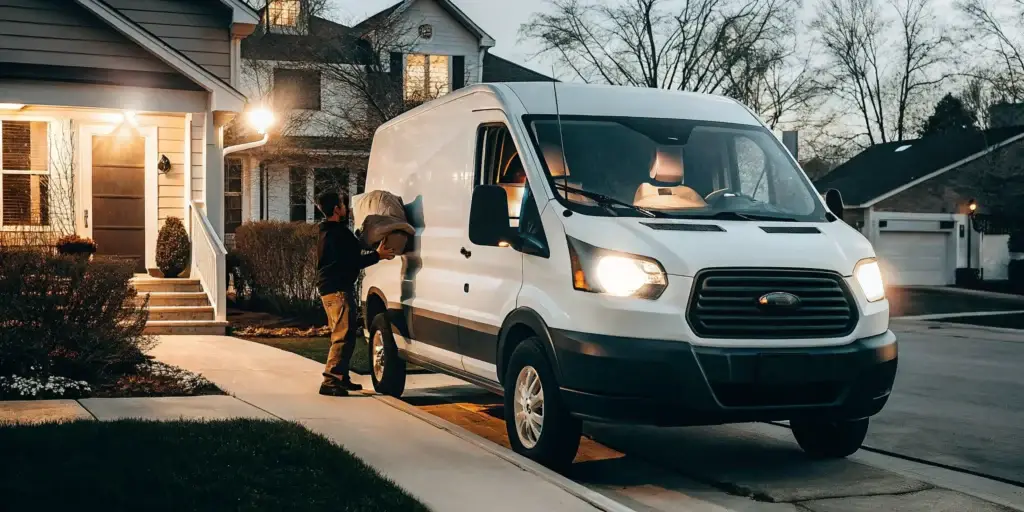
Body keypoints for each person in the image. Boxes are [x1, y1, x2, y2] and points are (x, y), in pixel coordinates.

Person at [316, 191, 396, 397]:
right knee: (343, 335)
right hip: (338, 290)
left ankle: (341, 377)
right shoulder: (337, 234)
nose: (347, 208)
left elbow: (351, 252)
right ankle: (331, 381)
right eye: (343, 205)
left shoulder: (328, 232)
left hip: (330, 289)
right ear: (336, 209)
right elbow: (352, 261)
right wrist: (378, 255)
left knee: (345, 333)